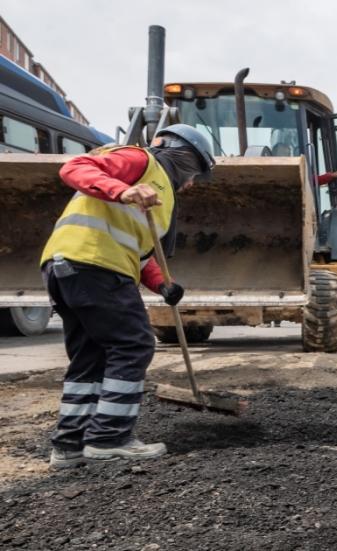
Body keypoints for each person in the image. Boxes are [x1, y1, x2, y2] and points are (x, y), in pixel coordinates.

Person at [41, 124, 215, 469]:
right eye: (193, 169)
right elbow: (74, 168)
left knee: (89, 357)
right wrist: (122, 191)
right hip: (95, 265)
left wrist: (163, 284)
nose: (192, 181)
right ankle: (109, 437)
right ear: (171, 148)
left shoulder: (160, 200)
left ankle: (69, 445)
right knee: (134, 344)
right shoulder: (140, 159)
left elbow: (143, 255)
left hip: (70, 267)